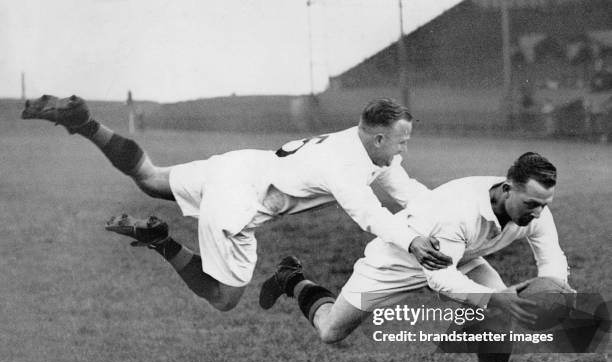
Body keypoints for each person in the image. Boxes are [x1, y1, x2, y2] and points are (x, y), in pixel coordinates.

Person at [21, 95, 451, 312]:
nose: (404, 149)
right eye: (402, 140)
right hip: (240, 199)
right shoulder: (345, 165)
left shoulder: (372, 150)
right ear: (378, 137)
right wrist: (413, 243)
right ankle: (161, 240)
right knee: (225, 298)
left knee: (150, 178)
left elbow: (407, 190)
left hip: (241, 165)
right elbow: (370, 215)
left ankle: (85, 122)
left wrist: (451, 213)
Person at [261, 152, 572, 362]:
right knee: (330, 331)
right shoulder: (459, 210)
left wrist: (555, 290)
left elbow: (551, 259)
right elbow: (440, 280)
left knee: (498, 316)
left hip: (459, 255)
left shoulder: (536, 211)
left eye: (544, 204)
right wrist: (494, 298)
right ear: (507, 188)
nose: (538, 212)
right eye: (531, 204)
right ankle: (291, 278)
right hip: (398, 260)